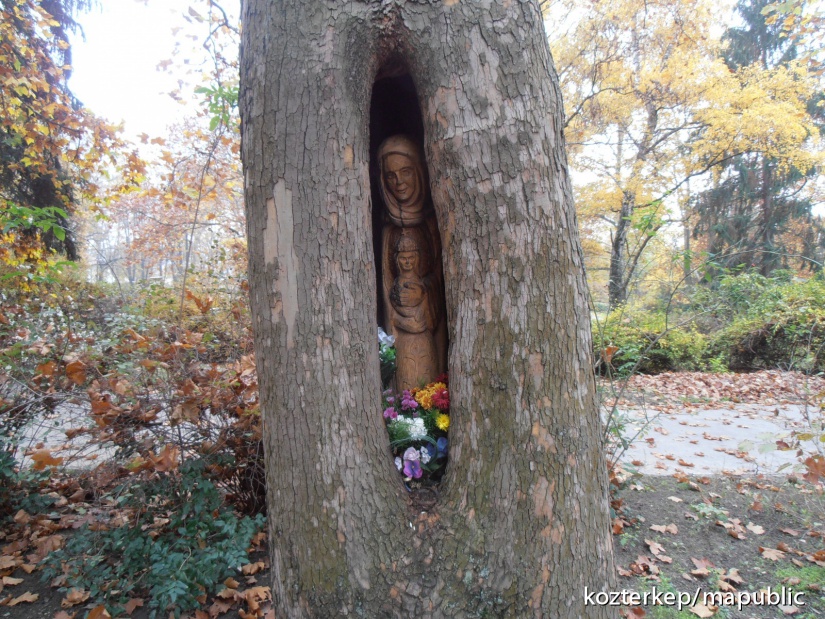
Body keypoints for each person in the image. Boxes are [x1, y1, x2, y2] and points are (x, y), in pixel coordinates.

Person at [377, 135, 447, 388]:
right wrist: (395, 322)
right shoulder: (389, 230)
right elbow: (386, 281)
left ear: (418, 171)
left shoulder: (431, 223)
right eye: (390, 176)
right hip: (401, 328)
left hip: (427, 325)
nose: (399, 183)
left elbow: (441, 275)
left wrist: (424, 290)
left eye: (405, 172)